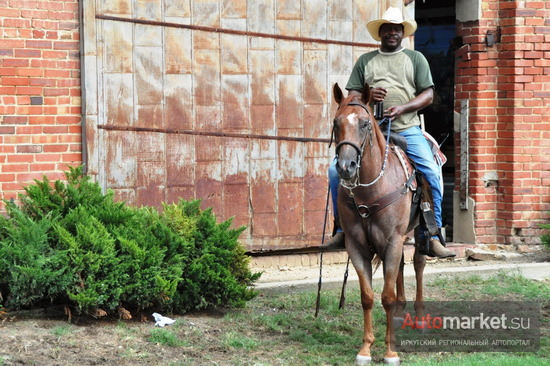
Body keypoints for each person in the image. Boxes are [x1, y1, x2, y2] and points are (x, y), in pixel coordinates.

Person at [323, 7, 455, 258]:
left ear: (403, 33)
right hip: (370, 130)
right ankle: (341, 228)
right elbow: (352, 97)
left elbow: (428, 95)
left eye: (397, 28)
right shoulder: (366, 61)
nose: (392, 32)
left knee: (431, 171)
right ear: (380, 32)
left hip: (407, 128)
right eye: (388, 28)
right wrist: (369, 97)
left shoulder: (415, 59)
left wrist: (403, 108)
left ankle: (432, 234)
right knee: (333, 170)